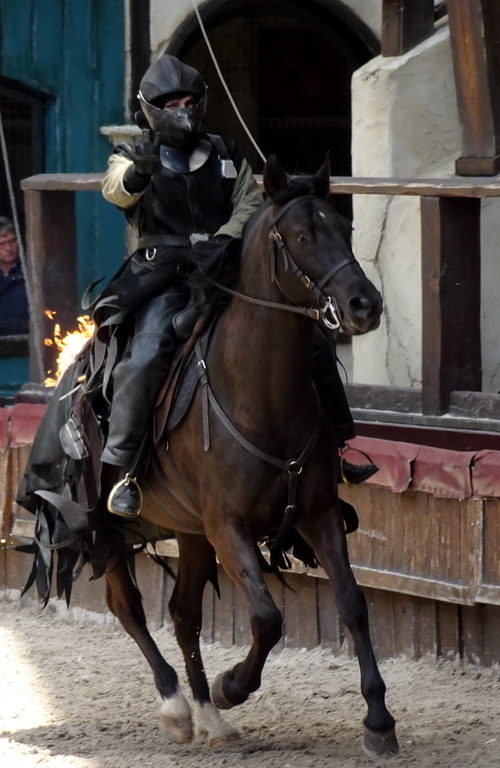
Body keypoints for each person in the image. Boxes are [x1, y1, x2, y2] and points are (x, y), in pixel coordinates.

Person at [95, 54, 375, 518]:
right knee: (146, 351)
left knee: (313, 342)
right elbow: (115, 190)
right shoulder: (132, 153)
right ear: (152, 108)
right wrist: (139, 171)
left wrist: (225, 240)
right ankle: (123, 468)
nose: (181, 109)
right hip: (162, 276)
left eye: (187, 100)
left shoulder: (225, 152)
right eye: (171, 103)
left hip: (223, 269)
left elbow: (250, 202)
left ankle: (338, 450)